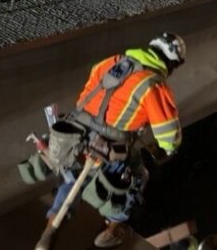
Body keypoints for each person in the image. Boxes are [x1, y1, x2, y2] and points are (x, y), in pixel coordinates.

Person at [43, 33, 186, 249]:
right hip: (108, 145)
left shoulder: (113, 61)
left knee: (72, 179)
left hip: (77, 133)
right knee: (138, 176)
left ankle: (49, 230)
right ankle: (113, 227)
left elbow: (88, 90)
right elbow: (169, 136)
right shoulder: (154, 85)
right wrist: (168, 148)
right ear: (172, 63)